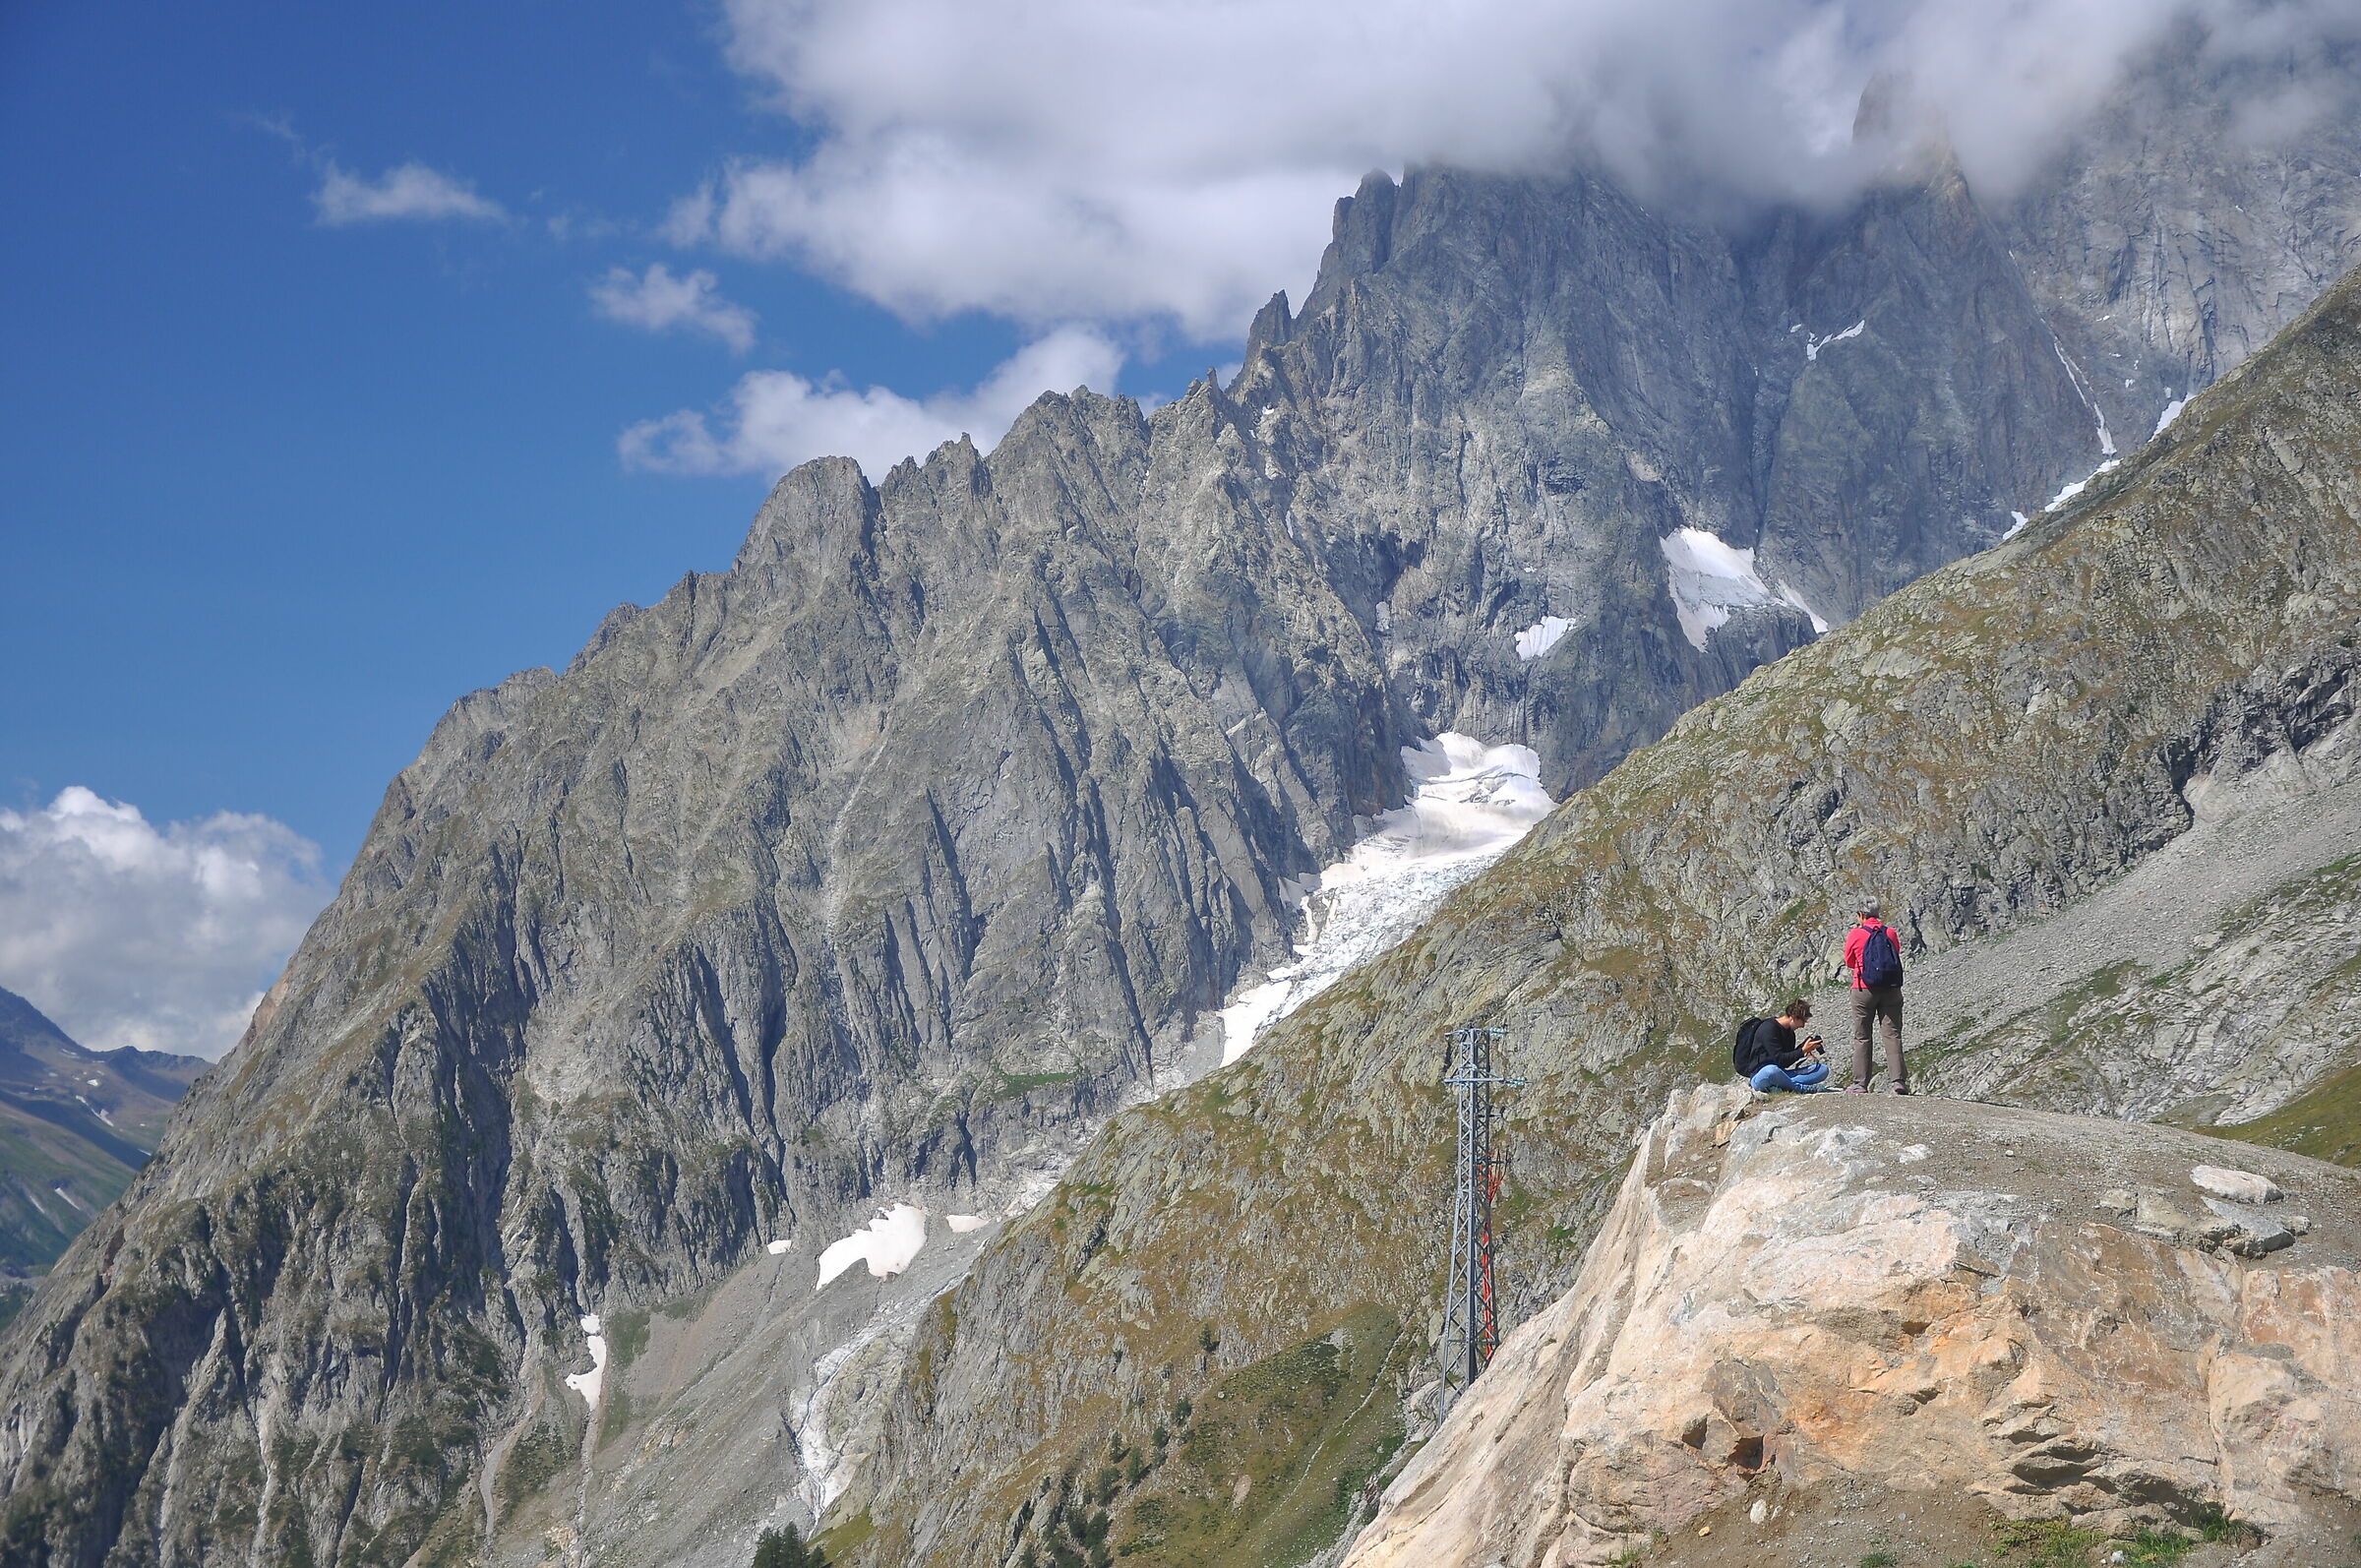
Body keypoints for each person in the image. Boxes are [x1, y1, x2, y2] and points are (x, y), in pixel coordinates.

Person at [1843, 899, 1908, 1094]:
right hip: (1891, 990)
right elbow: (1895, 954)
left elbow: (1849, 961)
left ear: (1861, 915)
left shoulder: (1856, 934)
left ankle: (1860, 1083)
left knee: (1862, 1036)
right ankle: (1898, 1081)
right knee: (1892, 1034)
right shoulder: (1890, 933)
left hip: (1864, 990)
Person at [1731, 1000, 1830, 1093]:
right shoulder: (1768, 1028)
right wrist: (1802, 1050)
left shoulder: (1790, 1033)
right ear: (1794, 1017)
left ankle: (1782, 1087)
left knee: (1822, 1070)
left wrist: (1803, 1048)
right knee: (1772, 1070)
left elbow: (1785, 1063)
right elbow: (1779, 1059)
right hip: (1761, 1075)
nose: (1803, 1026)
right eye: (1803, 1021)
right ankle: (1801, 1089)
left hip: (1781, 1074)